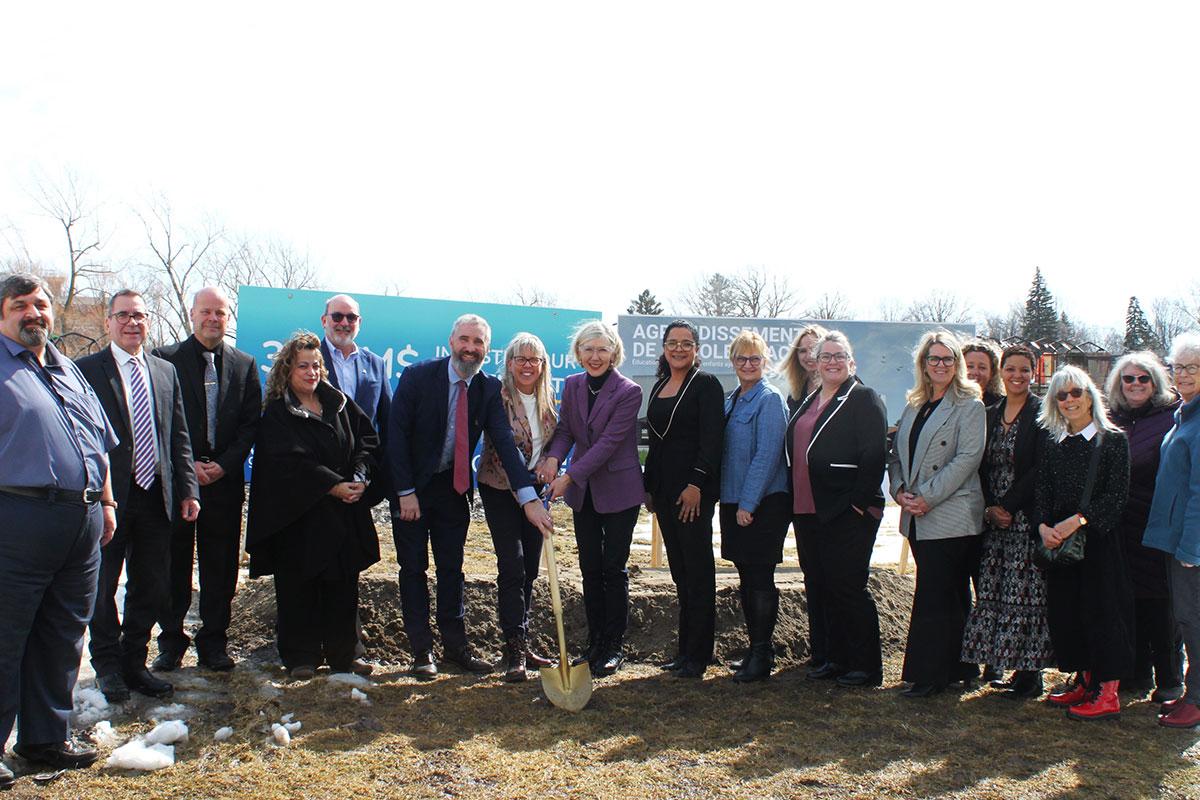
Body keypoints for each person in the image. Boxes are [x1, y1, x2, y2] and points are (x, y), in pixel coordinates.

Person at [0, 274, 118, 783]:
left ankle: (46, 737)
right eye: (20, 305)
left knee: (63, 633)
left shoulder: (68, 369)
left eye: (41, 304)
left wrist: (108, 502)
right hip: (19, 517)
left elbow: (99, 441)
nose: (34, 314)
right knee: (6, 636)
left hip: (83, 519)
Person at [390, 315, 553, 680]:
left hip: (454, 489)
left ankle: (455, 648)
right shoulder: (418, 377)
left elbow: (507, 446)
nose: (470, 348)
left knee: (452, 570)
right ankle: (421, 652)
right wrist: (405, 492)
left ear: (486, 349)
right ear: (451, 341)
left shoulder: (488, 389)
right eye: (465, 339)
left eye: (478, 343)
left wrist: (527, 498)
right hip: (413, 490)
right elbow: (396, 438)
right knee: (413, 569)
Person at [78, 290, 200, 703]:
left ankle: (135, 662)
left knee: (150, 585)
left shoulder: (164, 372)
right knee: (102, 585)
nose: (132, 323)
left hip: (157, 497)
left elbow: (178, 436)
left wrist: (188, 489)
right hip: (109, 498)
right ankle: (107, 666)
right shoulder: (86, 371)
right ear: (109, 322)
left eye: (140, 316)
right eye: (124, 315)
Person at [245, 333, 381, 679]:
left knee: (343, 584)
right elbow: (289, 461)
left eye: (316, 365)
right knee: (298, 586)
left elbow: (367, 440)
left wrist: (360, 476)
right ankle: (301, 656)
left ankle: (344, 654)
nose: (311, 372)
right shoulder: (278, 412)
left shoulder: (339, 403)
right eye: (302, 365)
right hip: (298, 515)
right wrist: (331, 485)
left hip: (343, 512)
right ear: (287, 370)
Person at [153, 287, 262, 673]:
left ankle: (214, 642)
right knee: (174, 565)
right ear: (192, 315)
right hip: (179, 482)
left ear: (227, 318)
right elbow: (158, 421)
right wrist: (188, 468)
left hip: (224, 483)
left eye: (220, 313)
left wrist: (225, 465)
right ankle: (170, 643)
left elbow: (251, 423)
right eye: (206, 312)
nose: (213, 319)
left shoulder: (244, 364)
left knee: (220, 568)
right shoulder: (164, 360)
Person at [539, 320, 643, 676]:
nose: (595, 356)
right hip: (585, 494)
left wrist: (569, 476)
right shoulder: (572, 385)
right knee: (589, 568)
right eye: (588, 349)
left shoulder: (628, 391)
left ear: (614, 352)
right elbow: (567, 429)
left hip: (619, 491)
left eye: (602, 349)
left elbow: (608, 444)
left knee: (613, 569)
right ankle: (594, 642)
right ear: (578, 353)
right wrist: (554, 457)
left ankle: (614, 646)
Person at [786, 331, 888, 687]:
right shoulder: (810, 399)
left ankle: (865, 666)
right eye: (825, 356)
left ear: (851, 361)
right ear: (815, 361)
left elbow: (875, 454)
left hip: (846, 510)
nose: (832, 361)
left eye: (839, 355)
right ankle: (832, 657)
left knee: (847, 586)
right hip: (808, 509)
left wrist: (858, 505)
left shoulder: (863, 398)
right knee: (821, 585)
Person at [888, 330, 985, 698]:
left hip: (951, 514)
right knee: (948, 595)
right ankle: (961, 667)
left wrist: (926, 496)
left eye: (947, 358)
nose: (941, 365)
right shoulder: (914, 404)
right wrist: (899, 490)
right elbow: (896, 453)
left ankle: (930, 675)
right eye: (934, 359)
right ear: (923, 365)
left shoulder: (969, 405)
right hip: (915, 514)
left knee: (936, 595)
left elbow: (967, 459)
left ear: (957, 364)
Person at [1037, 365, 1132, 720]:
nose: (1069, 400)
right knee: (1069, 613)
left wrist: (1076, 521)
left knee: (1102, 613)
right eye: (1061, 395)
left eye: (1076, 392)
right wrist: (1043, 527)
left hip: (1098, 543)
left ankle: (1107, 692)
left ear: (1090, 394)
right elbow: (1043, 491)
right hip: (1061, 544)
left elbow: (1116, 496)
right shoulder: (1054, 443)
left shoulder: (1113, 441)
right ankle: (1085, 681)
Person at [961, 345, 1054, 699]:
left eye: (1024, 370)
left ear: (1033, 373)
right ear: (1002, 372)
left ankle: (1029, 674)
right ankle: (1000, 661)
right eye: (1011, 369)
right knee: (995, 592)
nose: (1017, 376)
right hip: (992, 518)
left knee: (1027, 595)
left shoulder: (1042, 413)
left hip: (1025, 516)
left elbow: (1041, 467)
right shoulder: (990, 412)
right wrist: (990, 507)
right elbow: (977, 463)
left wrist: (1009, 506)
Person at [642, 320, 724, 679]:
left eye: (686, 343)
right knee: (680, 573)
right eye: (672, 343)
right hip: (664, 492)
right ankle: (684, 651)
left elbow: (712, 441)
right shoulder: (660, 385)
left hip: (692, 493)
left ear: (696, 349)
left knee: (698, 572)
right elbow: (655, 443)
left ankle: (700, 654)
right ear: (663, 347)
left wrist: (697, 485)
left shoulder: (706, 385)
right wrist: (649, 486)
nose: (679, 349)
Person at [478, 332, 558, 682]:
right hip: (500, 489)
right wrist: (527, 495)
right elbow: (503, 450)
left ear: (543, 366)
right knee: (512, 566)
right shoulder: (497, 397)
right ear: (509, 363)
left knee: (530, 572)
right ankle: (513, 652)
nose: (527, 365)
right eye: (520, 359)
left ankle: (522, 641)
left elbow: (555, 445)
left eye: (534, 360)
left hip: (537, 491)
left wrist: (552, 466)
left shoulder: (549, 400)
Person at [1106, 351, 1183, 703]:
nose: (1135, 385)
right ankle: (1135, 674)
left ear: (1155, 383)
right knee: (1128, 601)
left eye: (1143, 379)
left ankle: (1169, 677)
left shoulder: (1171, 418)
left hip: (1157, 523)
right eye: (1128, 379)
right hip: (1119, 527)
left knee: (1161, 605)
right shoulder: (1110, 419)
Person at [719, 330, 791, 683]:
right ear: (732, 362)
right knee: (746, 576)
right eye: (741, 359)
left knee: (760, 577)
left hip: (763, 503)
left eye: (755, 359)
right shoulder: (732, 401)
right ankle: (753, 648)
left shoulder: (770, 399)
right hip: (735, 501)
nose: (748, 365)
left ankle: (763, 653)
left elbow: (768, 453)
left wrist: (748, 503)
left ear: (766, 362)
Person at [1143, 333, 1200, 728]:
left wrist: (1192, 548)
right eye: (1178, 367)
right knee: (1184, 619)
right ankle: (1191, 692)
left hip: (1189, 545)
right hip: (1174, 538)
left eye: (1193, 368)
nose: (1183, 375)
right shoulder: (1185, 415)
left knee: (1194, 621)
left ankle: (1197, 700)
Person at [781, 323, 830, 668]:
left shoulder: (847, 393)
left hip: (834, 502)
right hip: (801, 500)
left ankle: (839, 651)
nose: (809, 356)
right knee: (812, 574)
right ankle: (820, 650)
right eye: (803, 350)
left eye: (815, 349)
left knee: (835, 577)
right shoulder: (794, 397)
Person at [963, 340, 1005, 407]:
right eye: (970, 366)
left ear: (992, 372)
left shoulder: (1000, 405)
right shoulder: (947, 399)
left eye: (982, 367)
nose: (975, 372)